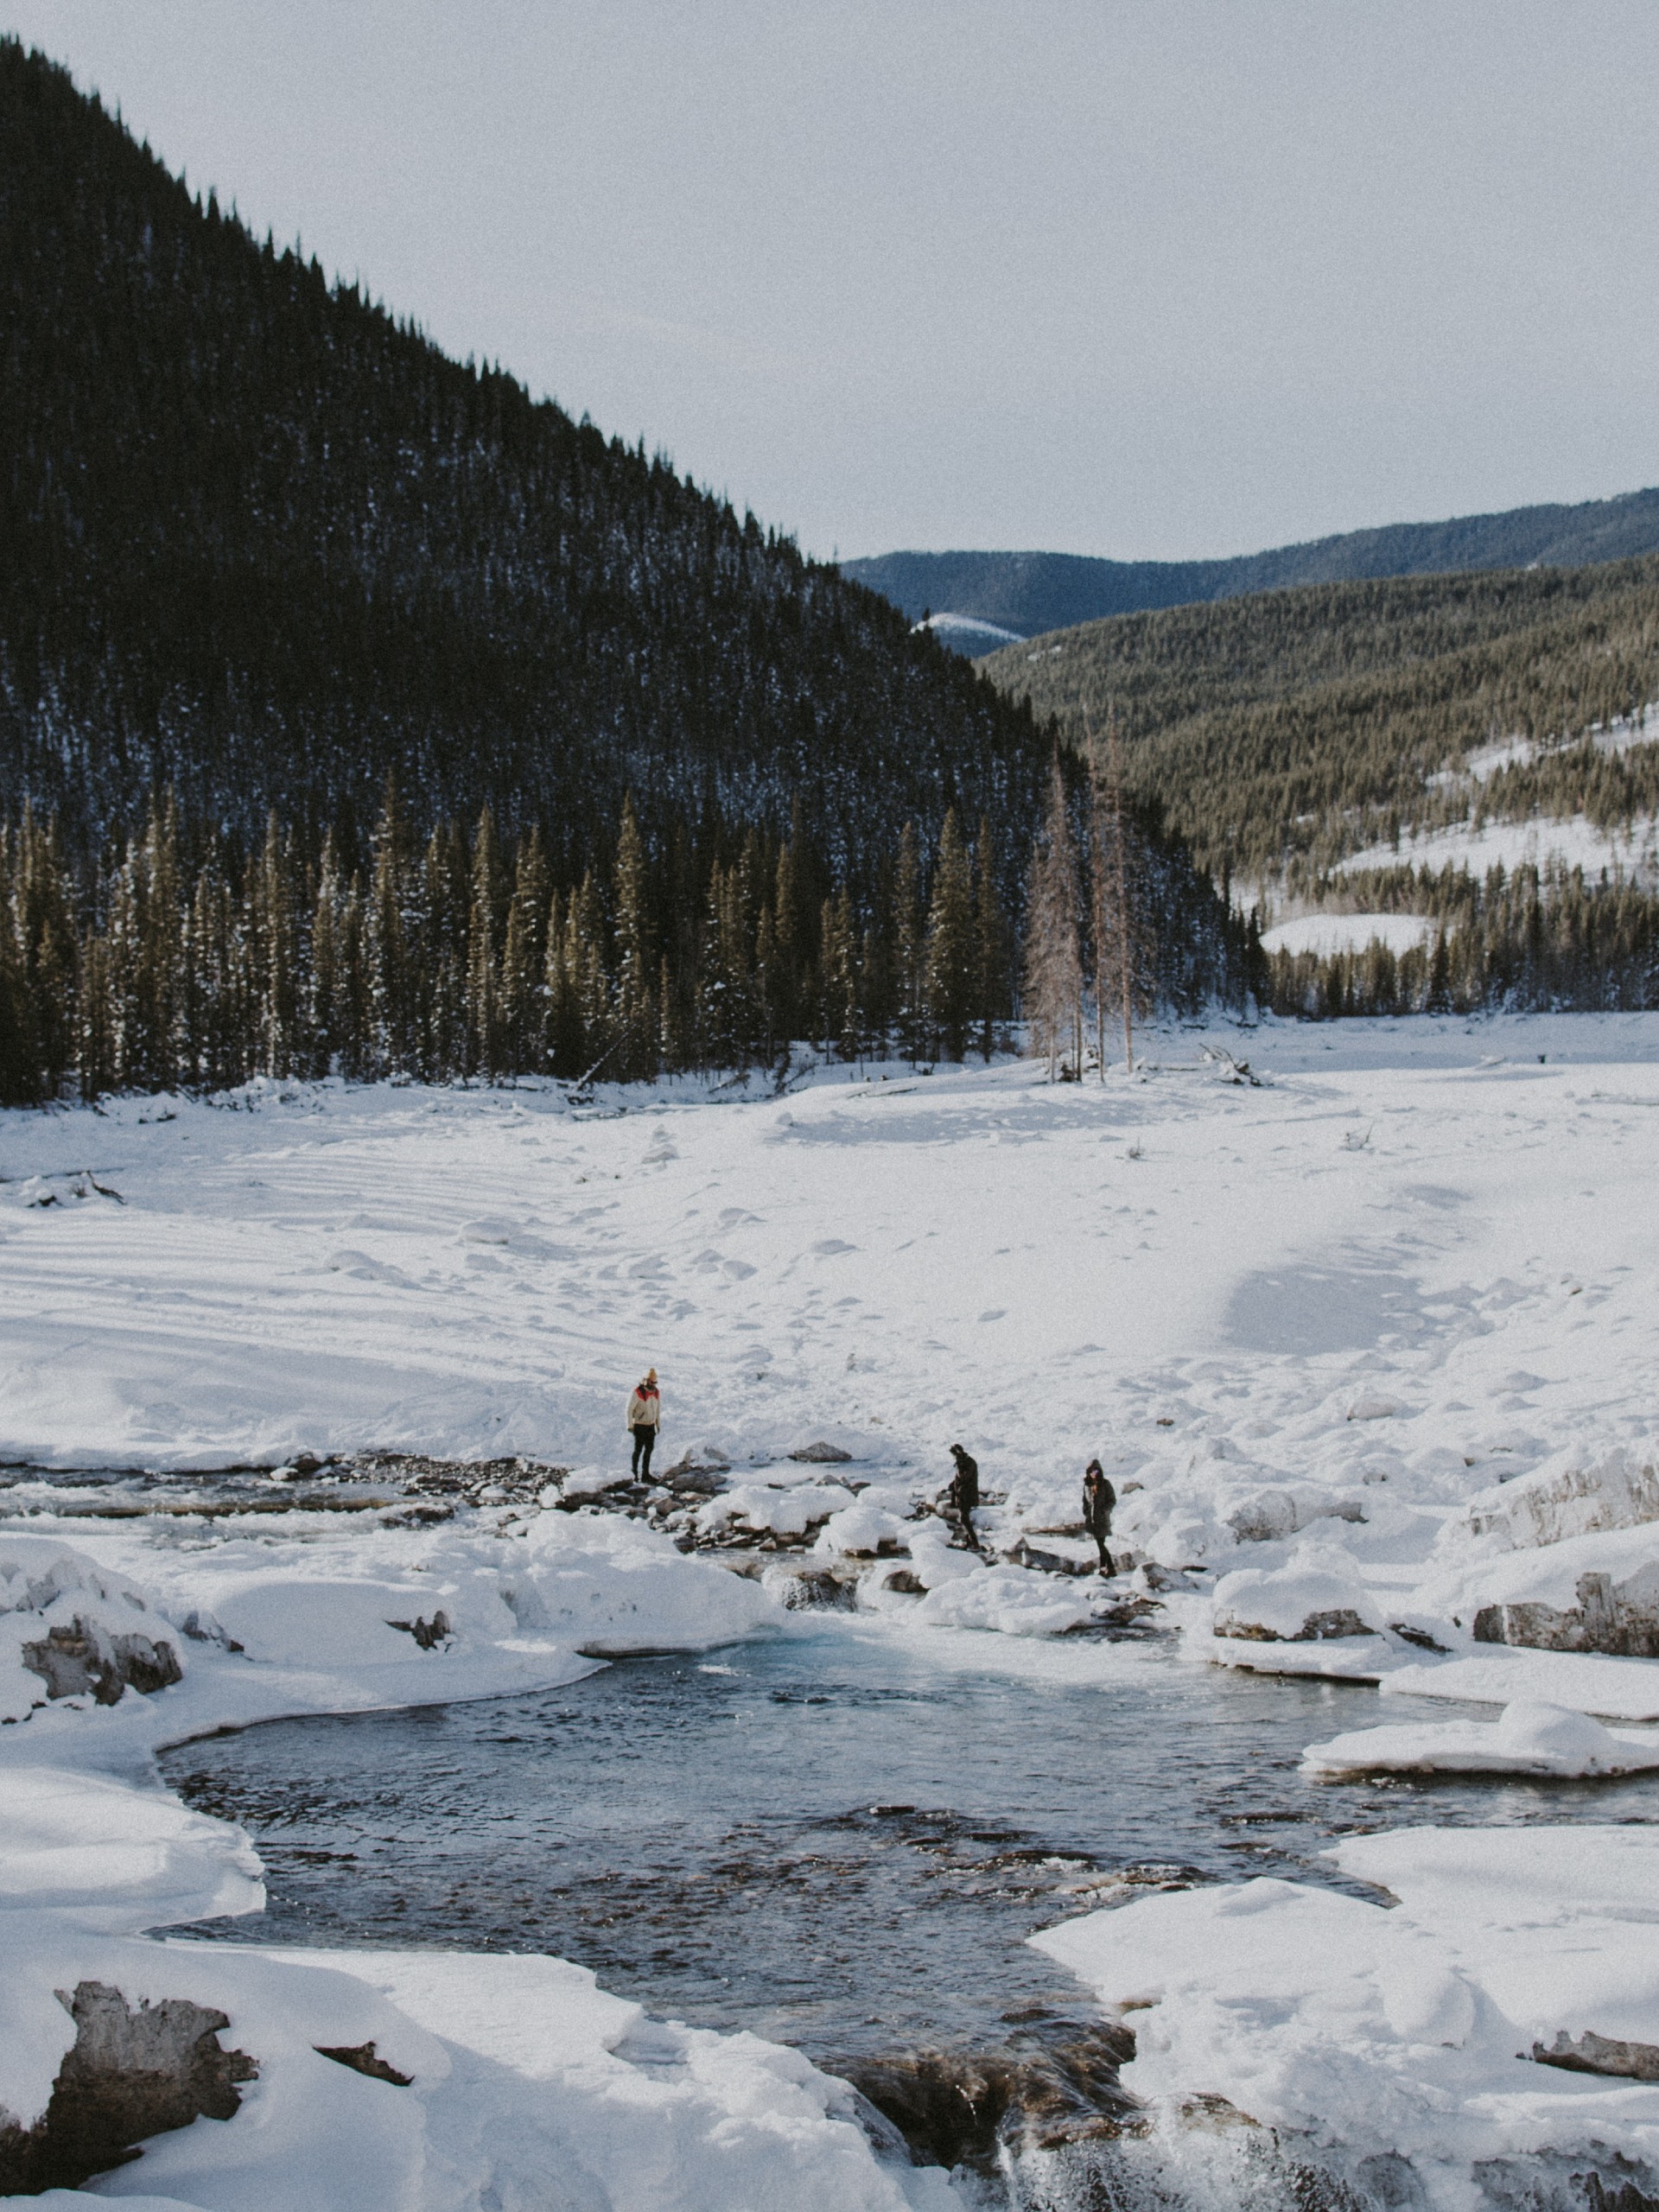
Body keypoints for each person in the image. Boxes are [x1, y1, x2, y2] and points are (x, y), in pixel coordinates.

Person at [1083, 1457, 1116, 1574]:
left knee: (1101, 1545)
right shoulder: (1087, 1485)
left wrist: (1104, 1511)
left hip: (1102, 1520)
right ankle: (1109, 1569)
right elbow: (1086, 1501)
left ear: (1099, 1471)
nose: (1094, 1474)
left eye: (1096, 1471)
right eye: (1091, 1471)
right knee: (1100, 1545)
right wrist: (1086, 1512)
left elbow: (1112, 1500)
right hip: (1092, 1521)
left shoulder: (1105, 1484)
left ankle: (1106, 1569)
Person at [946, 1442, 982, 1551]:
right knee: (964, 1519)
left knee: (964, 1519)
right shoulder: (963, 1462)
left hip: (968, 1495)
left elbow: (964, 1478)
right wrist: (953, 1484)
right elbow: (959, 1478)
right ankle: (969, 1542)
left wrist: (959, 1466)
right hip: (963, 1495)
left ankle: (975, 1544)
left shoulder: (969, 1463)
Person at [627, 1369, 661, 1480]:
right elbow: (629, 1409)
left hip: (650, 1425)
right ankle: (634, 1474)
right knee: (638, 1450)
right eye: (652, 1382)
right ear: (646, 1380)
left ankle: (645, 1474)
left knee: (649, 1449)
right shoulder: (638, 1392)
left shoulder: (656, 1392)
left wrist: (658, 1424)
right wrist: (630, 1425)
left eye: (655, 1382)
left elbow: (657, 1409)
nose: (654, 1385)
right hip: (640, 1425)